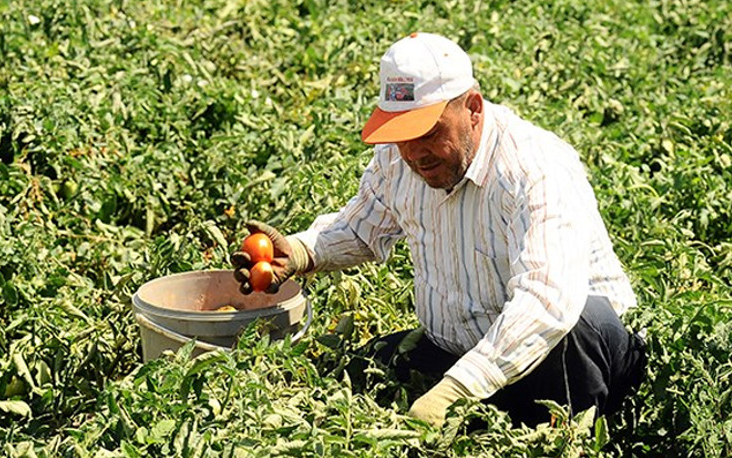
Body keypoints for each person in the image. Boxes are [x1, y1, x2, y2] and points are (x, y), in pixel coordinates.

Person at [231, 32, 647, 427]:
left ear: (474, 108)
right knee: (364, 371)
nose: (414, 153)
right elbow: (363, 227)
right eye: (401, 136)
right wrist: (301, 252)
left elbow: (546, 302)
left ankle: (560, 428)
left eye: (429, 133)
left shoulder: (533, 169)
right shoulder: (399, 159)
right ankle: (482, 401)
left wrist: (456, 391)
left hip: (570, 349)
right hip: (466, 350)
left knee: (577, 326)